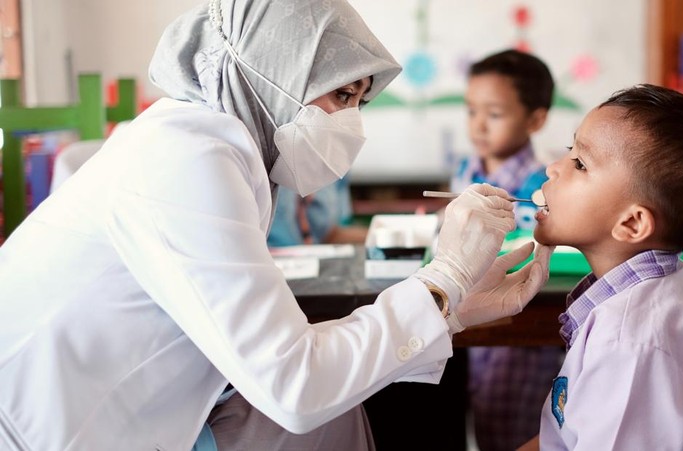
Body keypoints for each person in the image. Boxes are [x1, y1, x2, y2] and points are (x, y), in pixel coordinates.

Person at [0, 1, 557, 450]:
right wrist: (445, 280)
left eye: (359, 101)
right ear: (273, 72)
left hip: (122, 405)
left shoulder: (220, 150)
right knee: (322, 415)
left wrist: (450, 306)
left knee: (336, 412)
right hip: (41, 425)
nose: (351, 121)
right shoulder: (189, 156)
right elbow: (295, 385)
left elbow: (285, 364)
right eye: (342, 94)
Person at [517, 84, 683, 450]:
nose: (552, 169)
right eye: (571, 151)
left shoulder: (633, 345)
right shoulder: (647, 297)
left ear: (632, 224)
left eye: (580, 164)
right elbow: (563, 436)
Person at [450, 48, 565, 451]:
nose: (478, 125)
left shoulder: (541, 187)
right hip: (469, 312)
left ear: (535, 120)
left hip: (518, 323)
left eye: (494, 114)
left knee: (514, 424)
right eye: (471, 111)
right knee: (479, 416)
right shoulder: (466, 171)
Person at [268, 177, 367, 247]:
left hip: (316, 259)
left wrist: (373, 236)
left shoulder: (338, 167)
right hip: (270, 257)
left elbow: (333, 234)